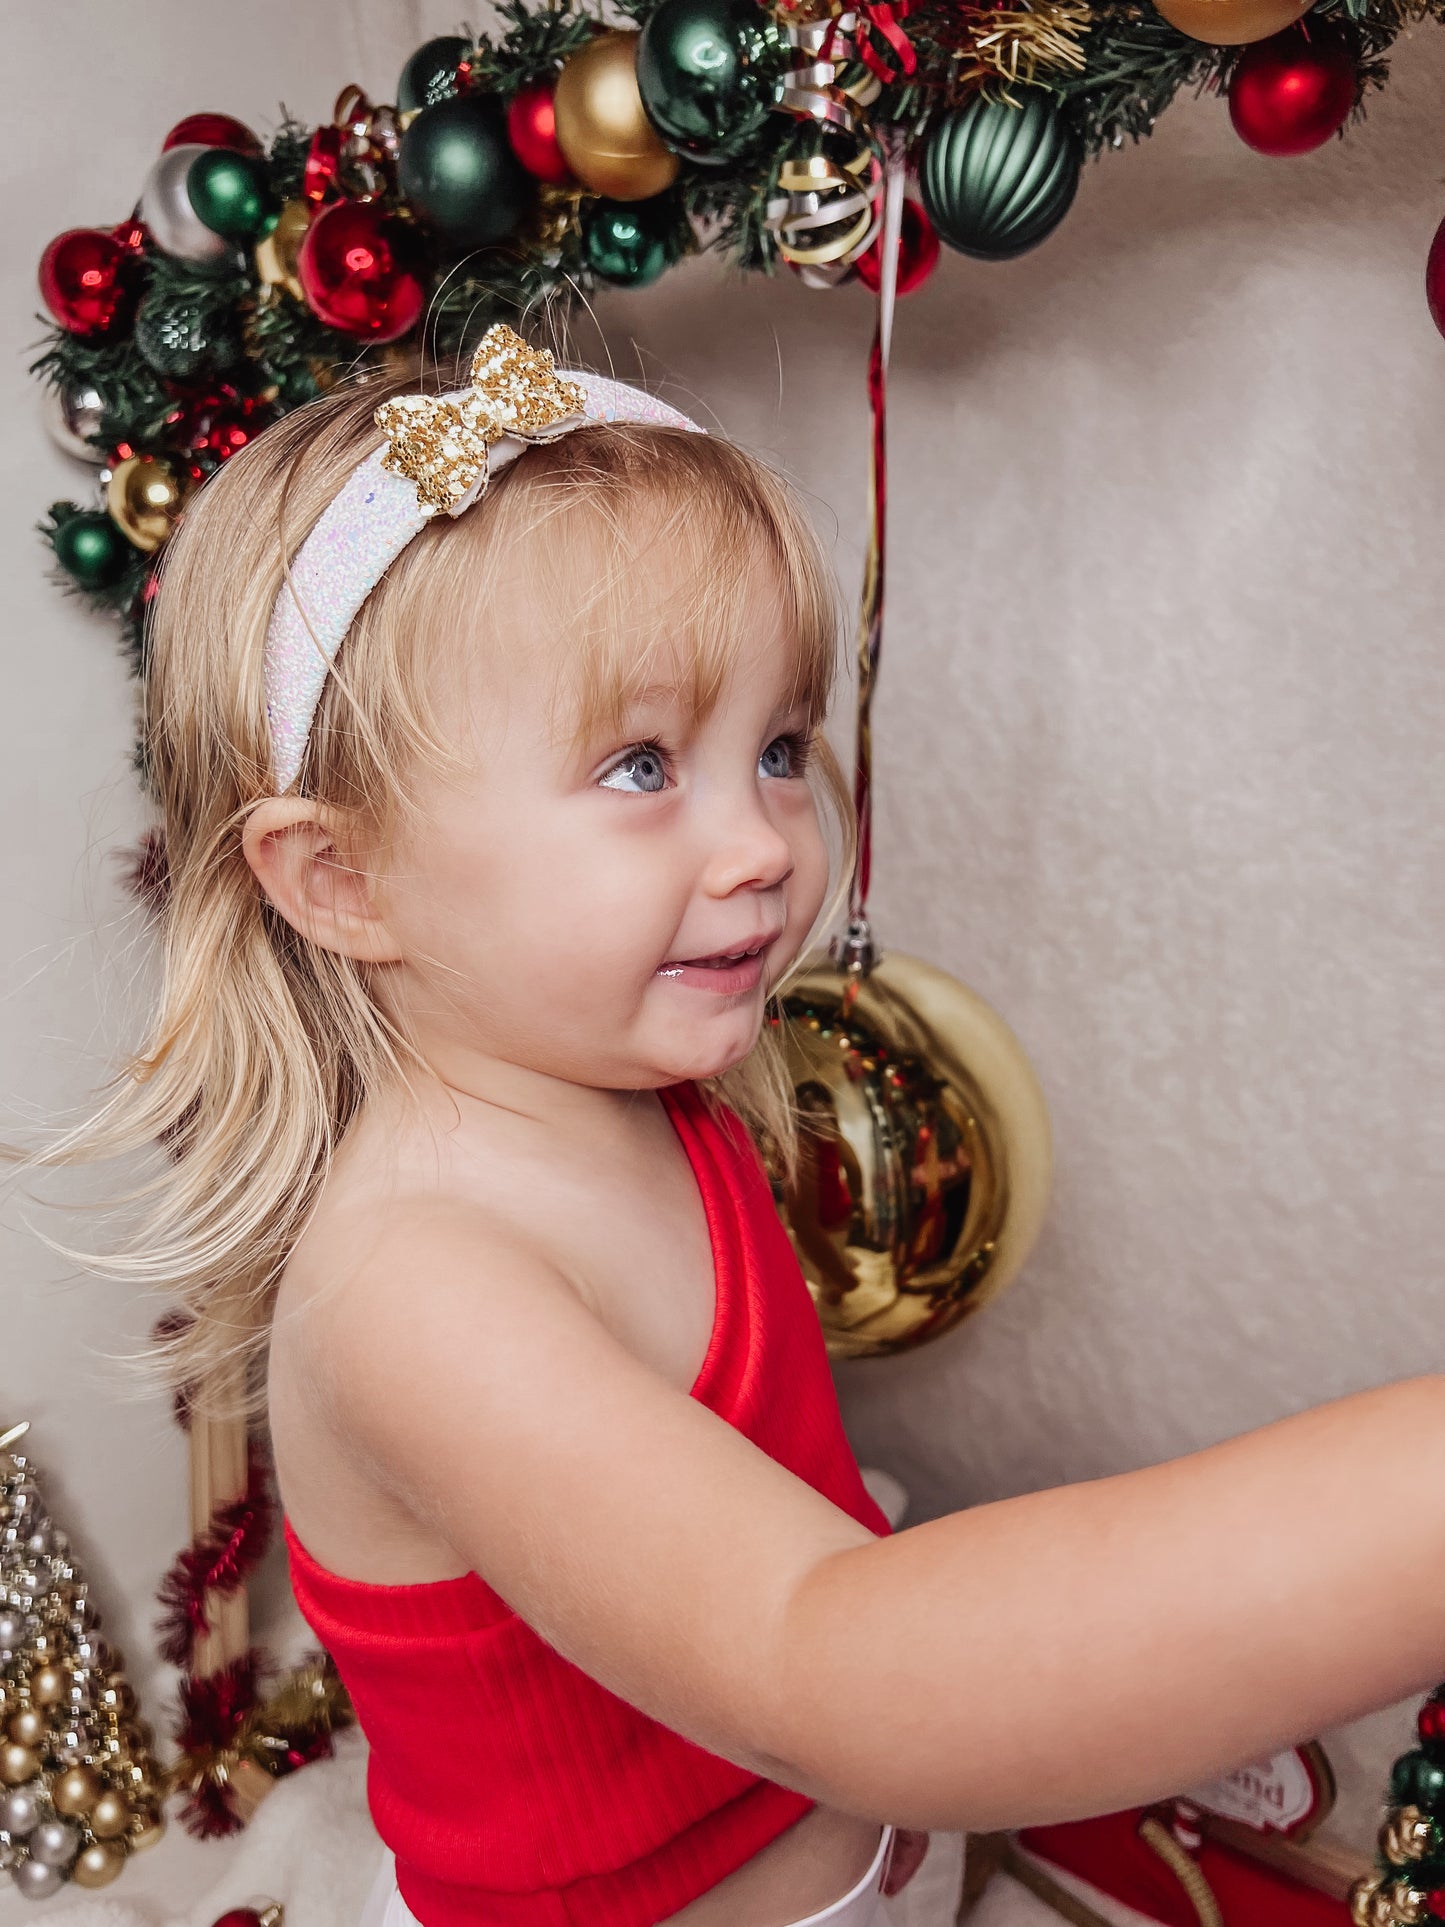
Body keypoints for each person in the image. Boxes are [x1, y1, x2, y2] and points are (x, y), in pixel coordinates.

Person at [31, 325, 1445, 1927]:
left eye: (775, 749)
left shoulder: (630, 1077)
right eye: (640, 764)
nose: (766, 843)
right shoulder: (416, 1286)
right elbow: (826, 1656)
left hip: (854, 1848)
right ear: (346, 882)